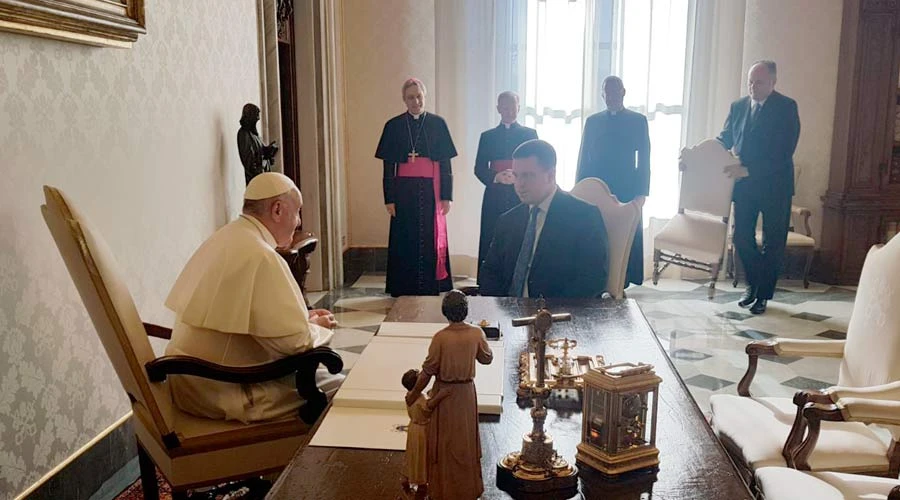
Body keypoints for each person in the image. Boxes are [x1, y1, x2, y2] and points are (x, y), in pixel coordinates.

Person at [164, 172, 343, 423]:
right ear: (277, 210)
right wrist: (318, 326)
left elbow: (249, 321)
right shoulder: (261, 255)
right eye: (297, 212)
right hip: (228, 390)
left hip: (193, 384)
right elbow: (296, 345)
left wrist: (304, 320)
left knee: (326, 378)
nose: (299, 222)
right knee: (343, 389)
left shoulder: (228, 236)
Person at [717, 60, 800, 315]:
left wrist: (750, 170)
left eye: (759, 82)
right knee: (741, 238)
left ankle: (763, 295)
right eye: (750, 82)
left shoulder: (786, 107)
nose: (753, 87)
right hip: (745, 188)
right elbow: (724, 139)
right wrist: (698, 155)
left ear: (773, 83)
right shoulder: (738, 106)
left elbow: (784, 152)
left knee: (773, 242)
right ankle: (753, 284)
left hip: (776, 186)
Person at [480, 139, 609, 298]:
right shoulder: (507, 220)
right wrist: (502, 308)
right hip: (506, 310)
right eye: (516, 176)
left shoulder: (583, 217)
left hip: (556, 310)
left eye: (528, 176)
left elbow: (591, 279)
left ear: (550, 175)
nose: (519, 184)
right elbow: (490, 273)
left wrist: (547, 311)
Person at [404, 290, 493, 500]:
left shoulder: (440, 338)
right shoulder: (476, 333)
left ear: (445, 311)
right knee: (465, 442)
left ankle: (444, 491)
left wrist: (414, 393)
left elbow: (427, 371)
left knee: (444, 443)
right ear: (465, 310)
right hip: (466, 393)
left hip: (444, 393)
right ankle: (468, 489)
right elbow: (487, 358)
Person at [375, 78, 458, 297]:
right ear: (404, 99)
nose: (416, 101)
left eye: (419, 96)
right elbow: (388, 167)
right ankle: (403, 286)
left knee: (430, 237)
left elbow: (446, 164)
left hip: (431, 190)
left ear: (424, 96)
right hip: (404, 191)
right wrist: (389, 198)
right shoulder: (393, 126)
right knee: (404, 237)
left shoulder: (437, 124)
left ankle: (431, 285)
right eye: (411, 97)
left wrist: (446, 196)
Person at [576, 75, 650, 288]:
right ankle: (598, 278)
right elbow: (583, 157)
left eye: (615, 92)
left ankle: (622, 281)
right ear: (602, 95)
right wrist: (579, 189)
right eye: (607, 93)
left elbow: (644, 158)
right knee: (598, 232)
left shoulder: (638, 120)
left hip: (627, 186)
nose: (611, 97)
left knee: (625, 235)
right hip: (597, 186)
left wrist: (642, 192)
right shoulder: (593, 121)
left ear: (623, 92)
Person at [474, 91, 538, 282]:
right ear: (498, 109)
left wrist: (517, 176)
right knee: (491, 234)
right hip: (495, 194)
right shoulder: (487, 136)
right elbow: (479, 168)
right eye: (505, 107)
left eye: (512, 107)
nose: (509, 111)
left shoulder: (529, 134)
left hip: (522, 193)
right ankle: (489, 281)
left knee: (521, 233)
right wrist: (497, 177)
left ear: (519, 108)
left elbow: (535, 164)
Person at [400, 369, 450, 500]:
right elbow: (429, 406)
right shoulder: (420, 399)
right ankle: (421, 481)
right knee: (422, 455)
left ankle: (407, 476)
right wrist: (441, 395)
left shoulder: (410, 396)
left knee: (413, 454)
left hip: (413, 428)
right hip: (422, 431)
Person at [237, 103, 279, 185]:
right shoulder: (244, 134)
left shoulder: (255, 135)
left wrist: (269, 150)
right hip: (256, 180)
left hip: (263, 177)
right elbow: (249, 162)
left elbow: (261, 150)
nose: (257, 121)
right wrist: (263, 159)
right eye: (255, 118)